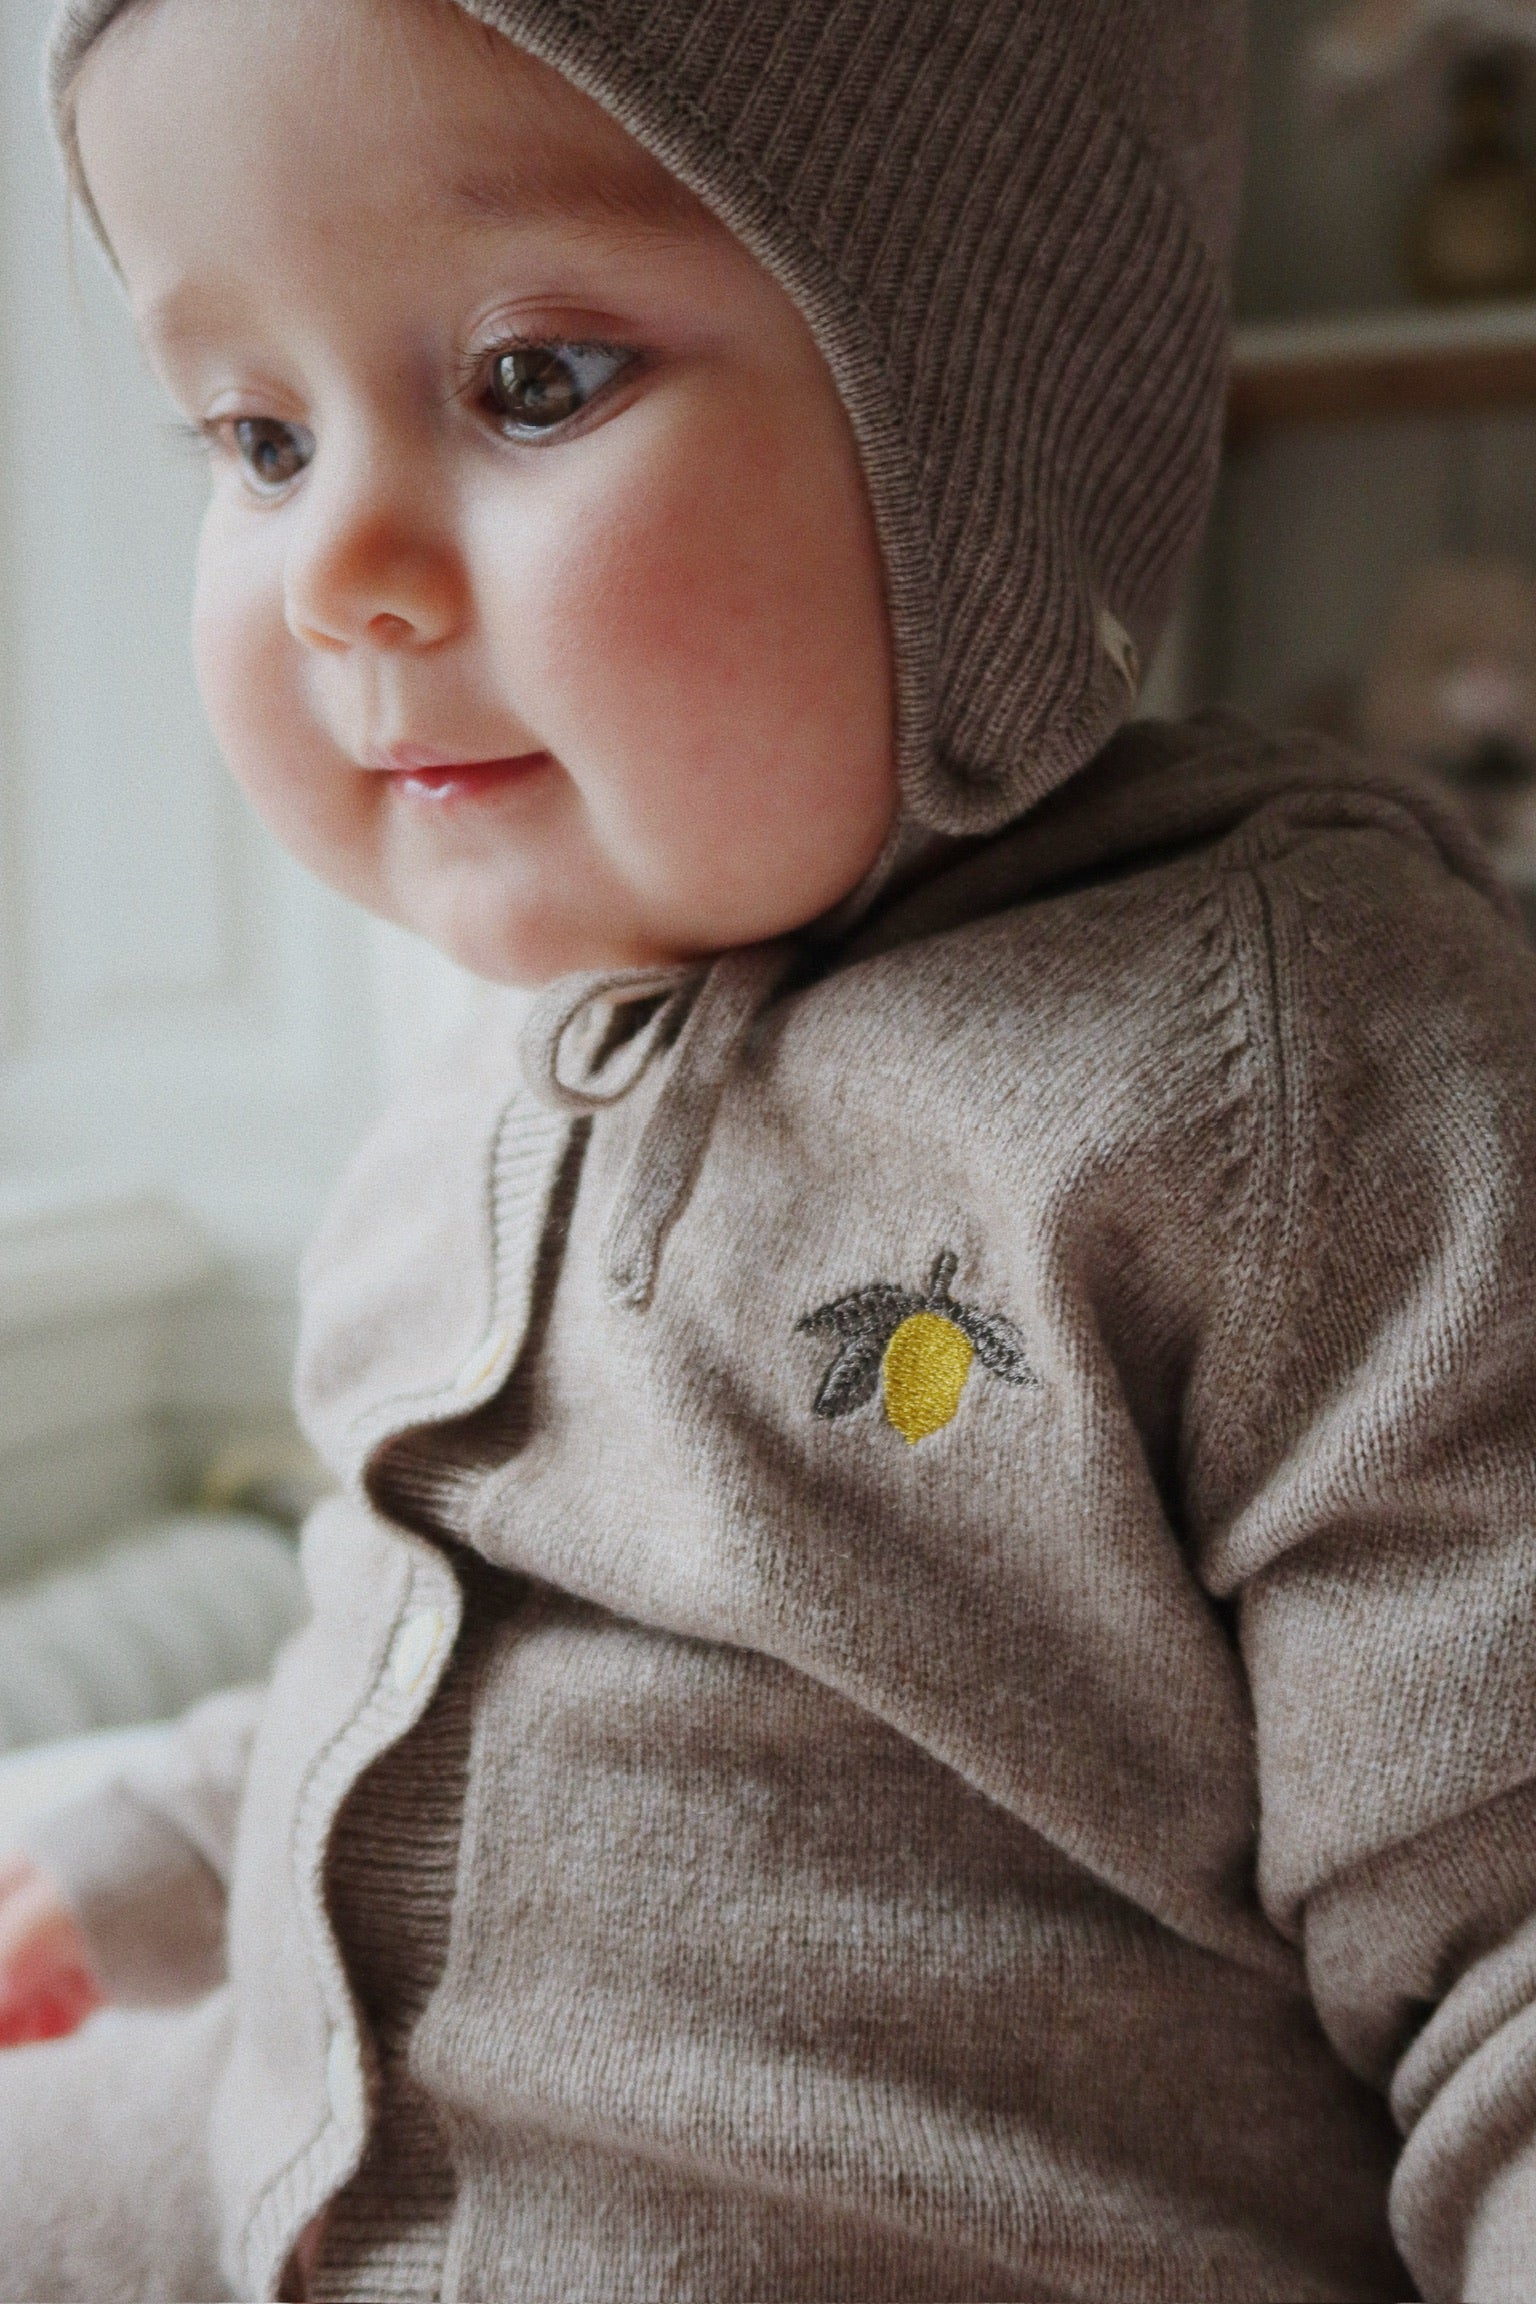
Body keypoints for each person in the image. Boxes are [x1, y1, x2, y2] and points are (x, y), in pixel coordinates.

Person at [0, 0, 1534, 2296]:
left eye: (534, 382)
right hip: (281, 2164)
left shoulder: (1295, 1073)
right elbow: (433, 1663)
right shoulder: (485, 1103)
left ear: (985, 435)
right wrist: (141, 1848)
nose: (341, 571)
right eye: (260, 436)